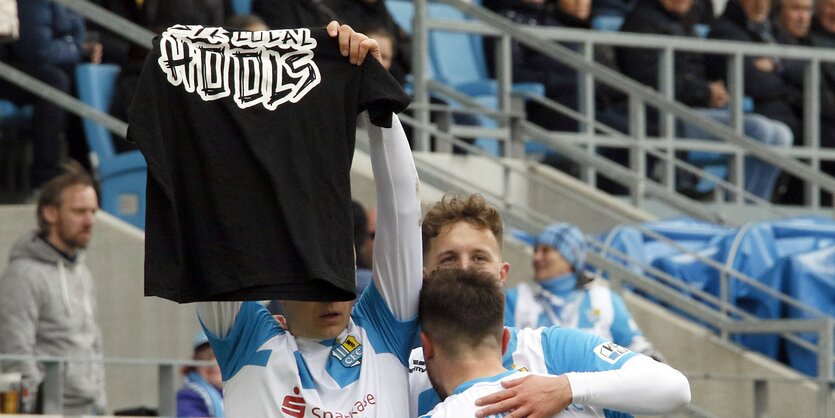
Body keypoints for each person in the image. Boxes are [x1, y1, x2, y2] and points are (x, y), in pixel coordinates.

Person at [194, 22, 422, 417]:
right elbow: (214, 205)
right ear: (280, 273)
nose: (331, 292)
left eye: (339, 268)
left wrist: (375, 96)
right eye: (313, 276)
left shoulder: (383, 330)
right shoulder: (244, 339)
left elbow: (402, 209)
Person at [411, 193, 691, 417]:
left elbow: (674, 388)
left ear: (502, 274)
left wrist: (567, 388)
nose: (465, 268)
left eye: (479, 258)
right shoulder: (407, 364)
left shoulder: (550, 346)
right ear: (424, 275)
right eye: (448, 259)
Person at [617, 0, 793, 201]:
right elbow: (648, 78)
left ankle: (754, 205)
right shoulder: (641, 22)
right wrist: (703, 92)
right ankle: (734, 203)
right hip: (664, 115)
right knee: (759, 130)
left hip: (696, 109)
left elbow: (698, 72)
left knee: (781, 135)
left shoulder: (685, 23)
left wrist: (713, 90)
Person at [0, 161, 105, 415]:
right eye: (80, 211)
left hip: (87, 409)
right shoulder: (23, 275)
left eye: (93, 211)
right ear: (50, 213)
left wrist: (100, 406)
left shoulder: (82, 272)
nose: (90, 221)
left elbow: (94, 344)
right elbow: (14, 349)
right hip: (49, 411)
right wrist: (40, 409)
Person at [505, 222, 664, 361]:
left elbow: (634, 344)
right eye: (536, 250)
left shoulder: (604, 298)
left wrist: (656, 366)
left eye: (546, 250)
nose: (537, 257)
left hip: (595, 392)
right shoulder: (516, 298)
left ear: (570, 257)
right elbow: (501, 351)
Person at [1, 0, 102, 191]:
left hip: (47, 68)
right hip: (10, 69)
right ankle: (45, 180)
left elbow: (77, 37)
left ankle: (84, 174)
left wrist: (75, 49)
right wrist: (76, 49)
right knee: (55, 82)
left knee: (78, 78)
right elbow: (37, 51)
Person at [177, 331, 224, 418]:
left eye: (222, 355)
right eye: (206, 356)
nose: (214, 362)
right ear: (195, 364)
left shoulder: (235, 393)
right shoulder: (189, 395)